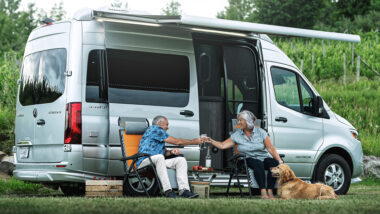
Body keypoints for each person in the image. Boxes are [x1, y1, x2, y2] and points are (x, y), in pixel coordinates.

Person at [205, 110, 283, 199]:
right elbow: (222, 145)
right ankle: (263, 191)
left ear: (248, 121)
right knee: (258, 163)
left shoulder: (261, 132)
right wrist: (210, 140)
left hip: (263, 157)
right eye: (238, 120)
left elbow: (271, 148)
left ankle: (270, 190)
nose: (238, 123)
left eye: (240, 120)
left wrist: (280, 161)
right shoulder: (237, 134)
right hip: (245, 159)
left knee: (274, 164)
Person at [136, 115, 204, 198]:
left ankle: (184, 190)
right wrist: (194, 141)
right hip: (144, 162)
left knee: (180, 160)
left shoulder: (157, 136)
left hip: (156, 162)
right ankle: (168, 191)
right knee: (160, 157)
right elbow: (177, 142)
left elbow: (164, 153)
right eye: (166, 125)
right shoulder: (155, 129)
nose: (167, 128)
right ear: (160, 123)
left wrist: (171, 152)